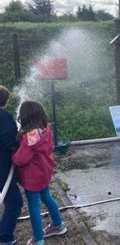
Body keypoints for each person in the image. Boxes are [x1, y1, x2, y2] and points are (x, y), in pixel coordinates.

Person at [12, 101, 67, 245]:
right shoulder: (45, 128)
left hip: (32, 176)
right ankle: (58, 225)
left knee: (34, 206)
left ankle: (38, 238)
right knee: (47, 197)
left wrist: (13, 154)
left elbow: (20, 160)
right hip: (44, 172)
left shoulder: (30, 136)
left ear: (25, 117)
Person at [0, 86, 23, 245]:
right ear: (6, 101)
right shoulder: (4, 116)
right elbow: (10, 141)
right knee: (14, 202)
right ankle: (5, 238)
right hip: (2, 168)